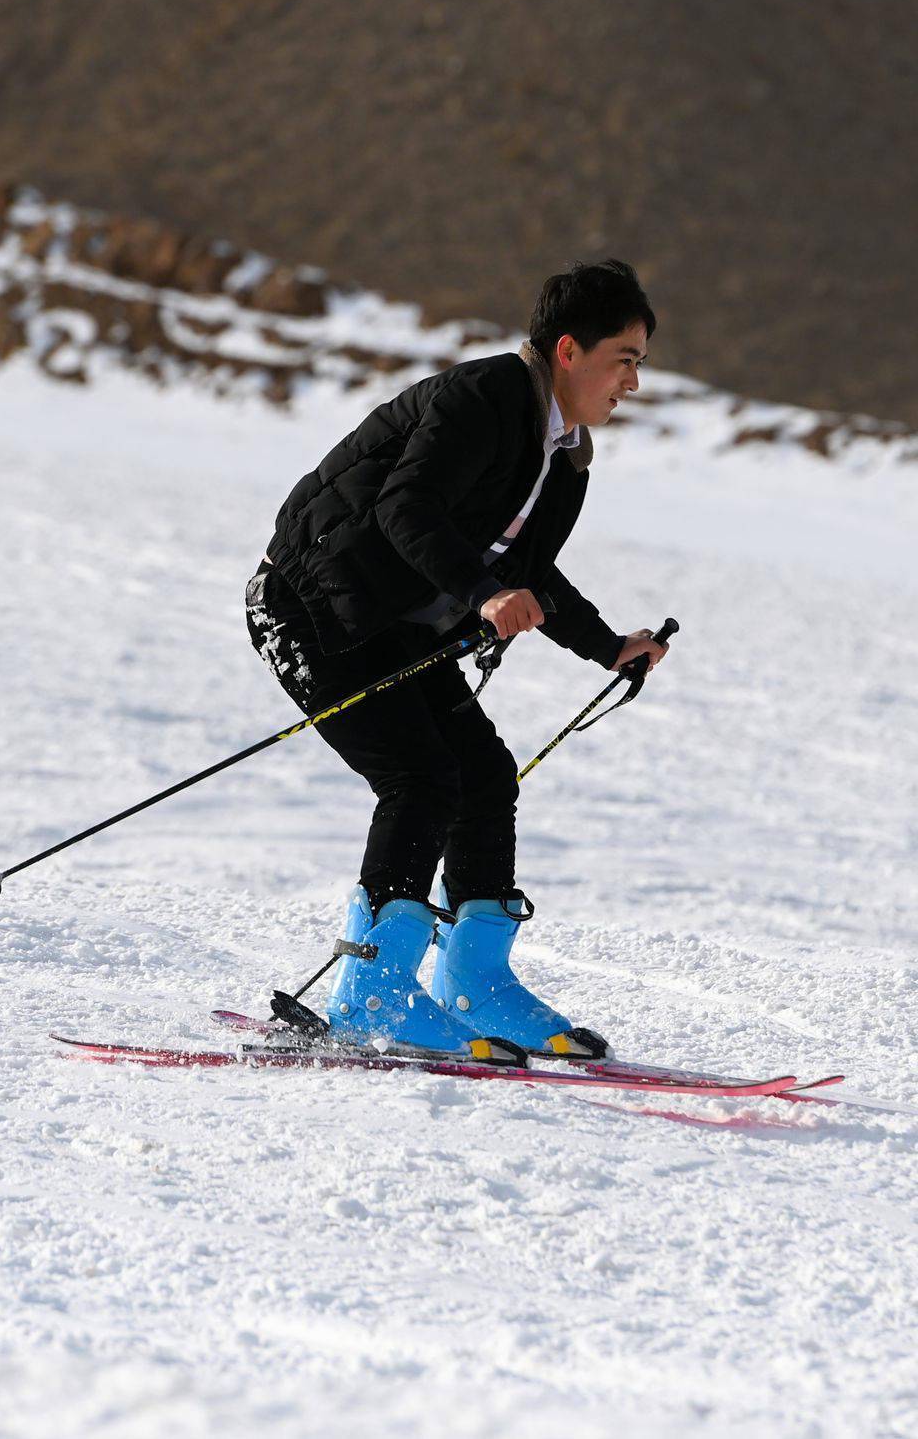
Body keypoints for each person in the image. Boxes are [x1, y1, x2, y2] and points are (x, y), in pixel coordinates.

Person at [246, 259, 668, 1058]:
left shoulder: (564, 453)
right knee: (421, 777)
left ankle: (475, 985)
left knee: (481, 775)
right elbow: (405, 507)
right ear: (570, 351)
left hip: (393, 626)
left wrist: (608, 646)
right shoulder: (483, 399)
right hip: (314, 611)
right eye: (628, 359)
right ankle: (371, 997)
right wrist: (480, 593)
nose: (633, 384)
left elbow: (528, 567)